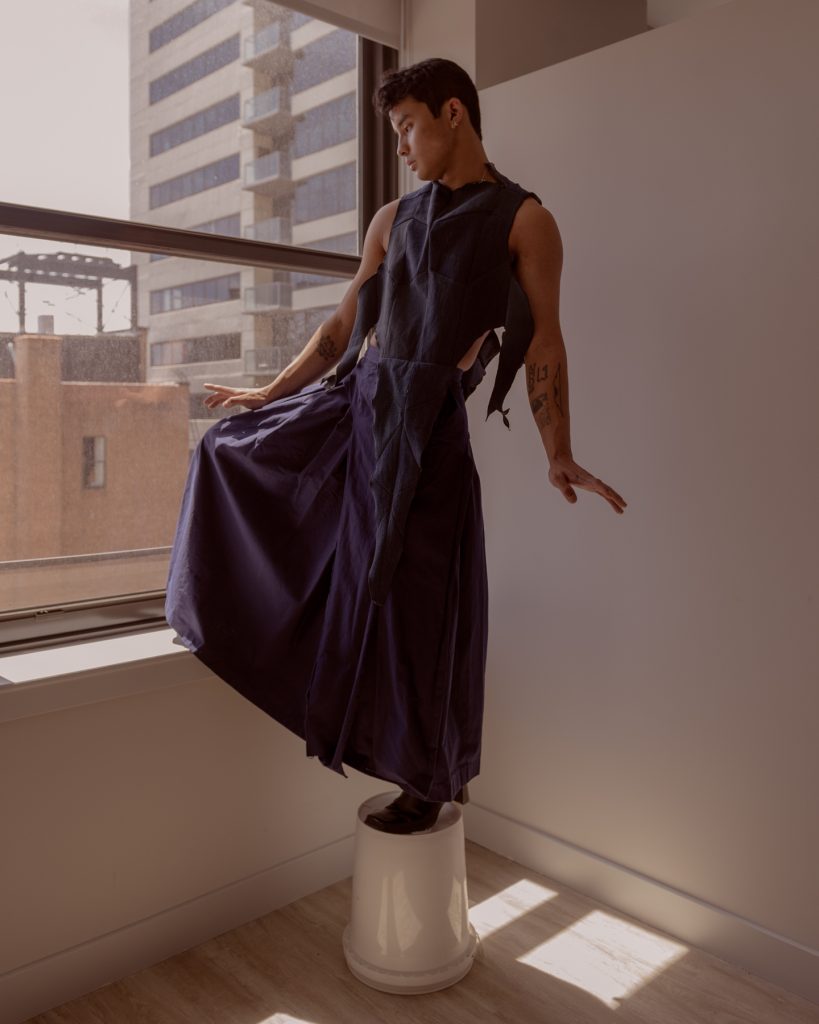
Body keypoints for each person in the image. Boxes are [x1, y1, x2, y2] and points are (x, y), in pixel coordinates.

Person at [165, 58, 626, 835]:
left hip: (429, 431)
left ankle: (424, 778)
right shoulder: (391, 218)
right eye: (395, 133)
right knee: (227, 452)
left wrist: (558, 449)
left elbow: (544, 343)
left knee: (420, 610)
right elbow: (342, 327)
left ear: (453, 113)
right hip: (357, 407)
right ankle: (217, 609)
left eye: (408, 127)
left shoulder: (524, 220)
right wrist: (268, 395)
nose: (403, 146)